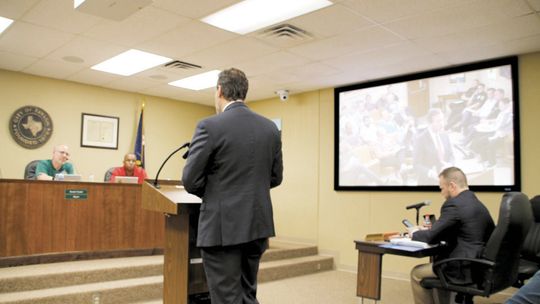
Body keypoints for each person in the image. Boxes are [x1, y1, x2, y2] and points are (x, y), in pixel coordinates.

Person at [182, 68, 283, 304]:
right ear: (244, 93)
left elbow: (190, 180)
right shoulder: (270, 128)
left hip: (222, 230)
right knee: (247, 294)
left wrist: (216, 193)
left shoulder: (209, 126)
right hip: (257, 226)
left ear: (219, 90)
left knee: (226, 298)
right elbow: (276, 177)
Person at [409, 167, 495, 304]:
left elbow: (431, 237)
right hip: (480, 266)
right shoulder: (477, 203)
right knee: (437, 271)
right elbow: (463, 231)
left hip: (463, 267)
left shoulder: (453, 204)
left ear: (452, 186)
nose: (441, 193)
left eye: (442, 188)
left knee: (416, 273)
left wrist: (414, 233)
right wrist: (435, 229)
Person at [413, 108, 455, 185]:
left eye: (442, 120)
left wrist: (449, 165)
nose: (442, 123)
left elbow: (451, 155)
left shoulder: (445, 135)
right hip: (428, 181)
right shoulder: (420, 139)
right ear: (430, 123)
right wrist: (430, 173)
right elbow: (416, 165)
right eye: (438, 121)